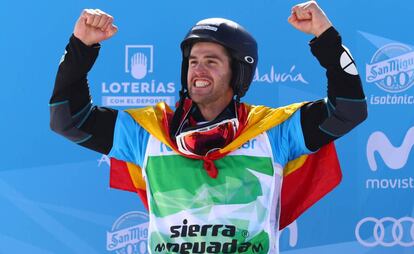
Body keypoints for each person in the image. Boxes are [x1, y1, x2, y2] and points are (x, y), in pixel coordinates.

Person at [49, 1, 367, 253]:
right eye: (193, 60)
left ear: (238, 73)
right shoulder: (147, 132)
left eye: (212, 61)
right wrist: (81, 46)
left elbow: (348, 110)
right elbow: (69, 119)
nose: (198, 67)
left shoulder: (273, 132)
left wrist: (326, 37)